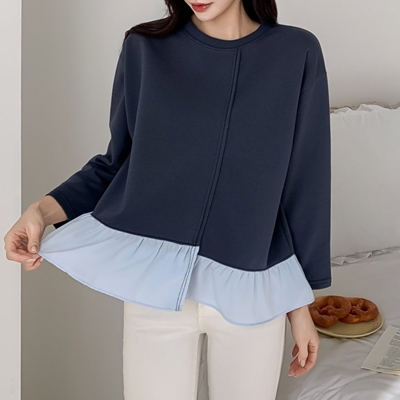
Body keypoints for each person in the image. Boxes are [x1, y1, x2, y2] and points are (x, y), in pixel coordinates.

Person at [4, 0, 332, 399]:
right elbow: (117, 164)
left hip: (252, 292)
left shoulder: (296, 52)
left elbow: (304, 185)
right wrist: (39, 211)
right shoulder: (145, 49)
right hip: (155, 294)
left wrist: (300, 304)